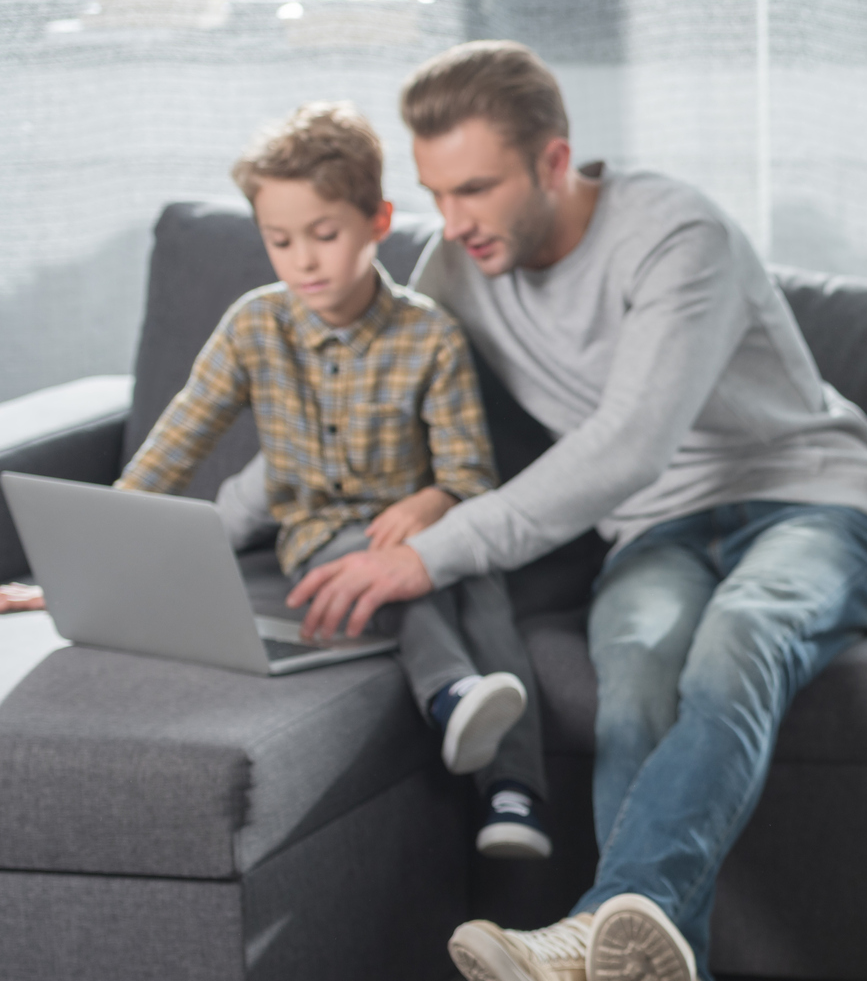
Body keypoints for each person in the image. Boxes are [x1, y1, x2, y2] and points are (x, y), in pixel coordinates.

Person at [263, 42, 867, 981]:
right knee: (638, 666)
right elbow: (386, 398)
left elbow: (627, 446)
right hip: (657, 532)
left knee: (739, 636)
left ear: (553, 160)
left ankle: (590, 934)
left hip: (814, 498)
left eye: (476, 188)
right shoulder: (455, 269)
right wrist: (415, 496)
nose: (453, 219)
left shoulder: (675, 234)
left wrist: (433, 549)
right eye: (434, 193)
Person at [115, 101, 549, 858]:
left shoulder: (430, 335)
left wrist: (433, 497)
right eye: (280, 241)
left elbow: (469, 472)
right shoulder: (255, 326)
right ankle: (451, 698)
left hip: (427, 528)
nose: (303, 262)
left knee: (483, 594)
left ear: (378, 220)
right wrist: (97, 543)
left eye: (324, 235)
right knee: (372, 571)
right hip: (322, 535)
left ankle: (515, 796)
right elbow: (175, 444)